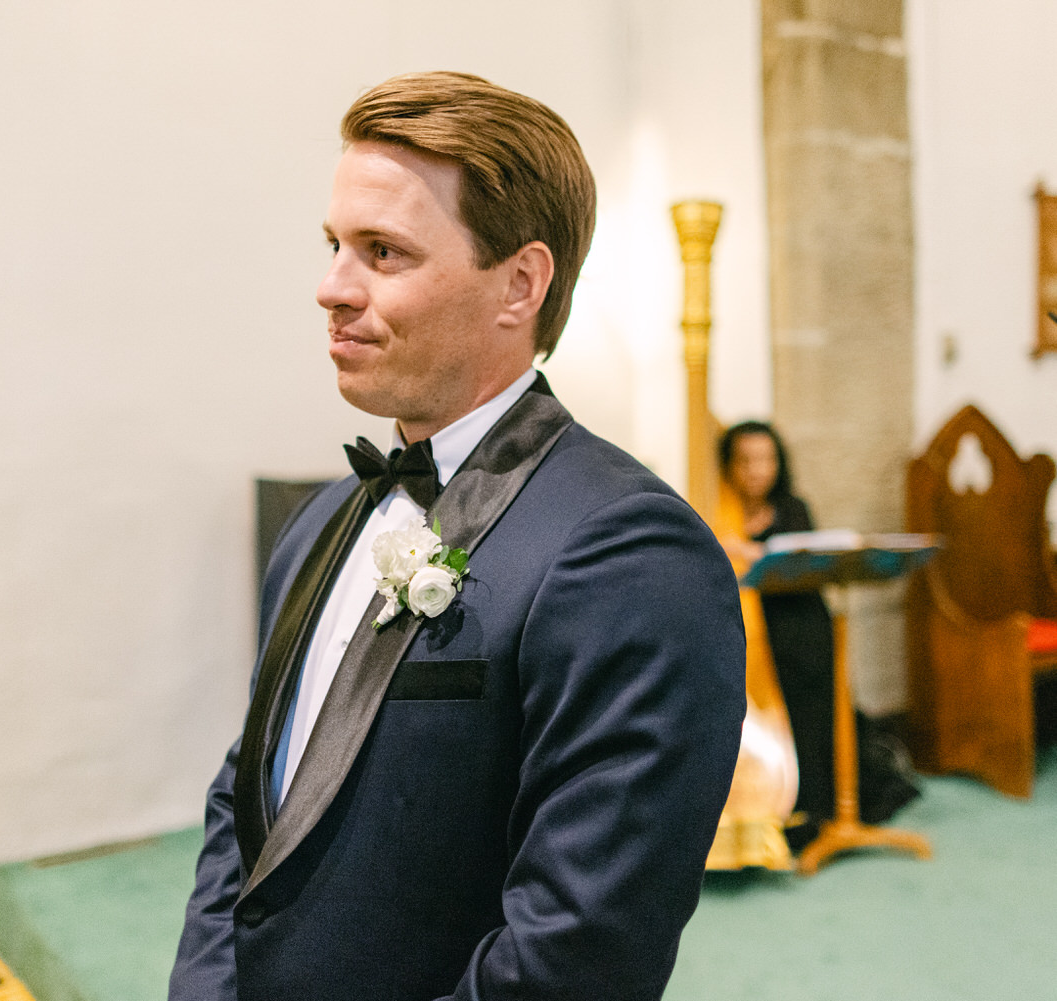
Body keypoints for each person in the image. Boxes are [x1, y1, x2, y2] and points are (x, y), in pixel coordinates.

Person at [170, 72, 745, 1001]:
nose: (331, 287)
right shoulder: (321, 521)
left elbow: (579, 952)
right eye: (334, 245)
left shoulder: (628, 554)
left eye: (383, 252)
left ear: (520, 282)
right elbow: (245, 799)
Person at [718, 420, 919, 848]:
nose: (758, 470)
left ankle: (820, 810)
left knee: (813, 718)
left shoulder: (793, 508)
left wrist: (753, 552)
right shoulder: (720, 512)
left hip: (801, 629)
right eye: (747, 461)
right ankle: (779, 807)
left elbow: (797, 561)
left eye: (767, 459)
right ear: (730, 466)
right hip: (756, 636)